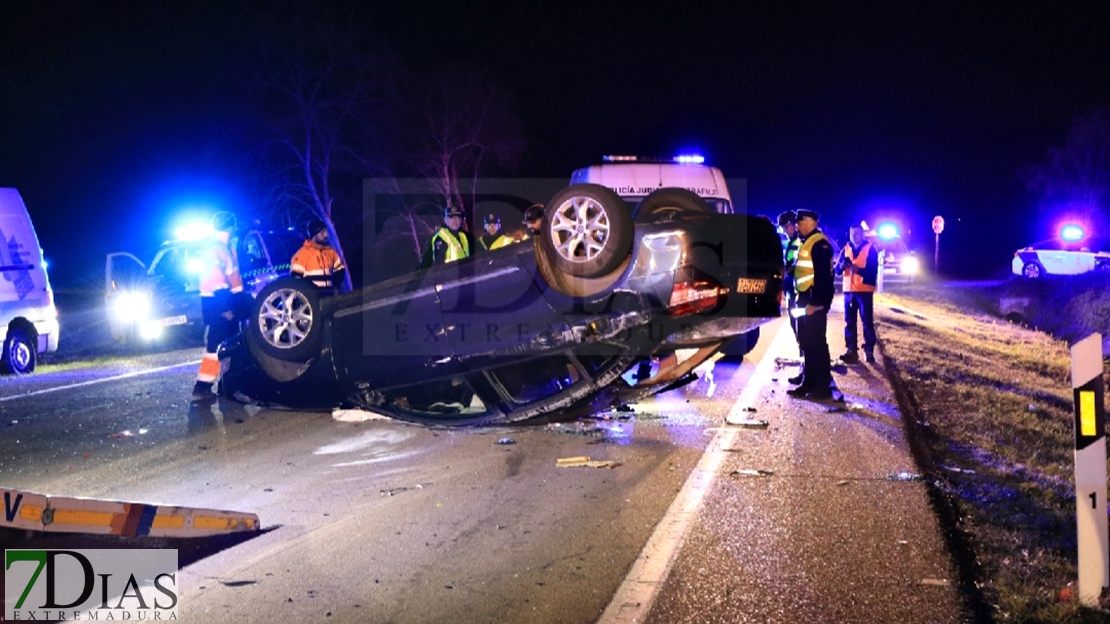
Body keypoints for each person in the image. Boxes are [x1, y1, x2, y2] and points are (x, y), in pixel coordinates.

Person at [193, 212, 244, 399]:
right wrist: (226, 307)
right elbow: (216, 280)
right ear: (230, 226)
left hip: (225, 301)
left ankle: (228, 386)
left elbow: (233, 278)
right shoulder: (216, 248)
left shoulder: (225, 247)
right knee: (216, 347)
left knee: (230, 345)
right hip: (219, 302)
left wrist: (238, 300)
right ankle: (203, 386)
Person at [787, 209, 836, 400]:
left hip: (814, 301)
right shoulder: (807, 242)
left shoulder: (820, 244)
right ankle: (808, 383)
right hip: (805, 298)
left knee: (817, 345)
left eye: (801, 222)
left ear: (813, 222)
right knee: (807, 343)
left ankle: (822, 387)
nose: (797, 225)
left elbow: (824, 278)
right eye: (797, 222)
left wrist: (816, 304)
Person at [837, 222, 879, 363]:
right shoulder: (845, 249)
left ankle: (869, 351)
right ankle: (851, 351)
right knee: (849, 322)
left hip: (864, 292)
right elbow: (836, 271)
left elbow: (873, 273)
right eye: (852, 233)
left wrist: (858, 270)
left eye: (857, 233)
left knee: (867, 322)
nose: (854, 236)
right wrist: (842, 266)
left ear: (863, 234)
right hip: (848, 292)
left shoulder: (870, 250)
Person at [777, 210, 803, 382]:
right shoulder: (793, 241)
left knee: (804, 332)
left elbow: (798, 265)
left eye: (786, 228)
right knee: (799, 331)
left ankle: (807, 372)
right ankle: (806, 369)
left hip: (799, 293)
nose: (786, 232)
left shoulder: (801, 241)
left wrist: (789, 270)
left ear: (793, 224)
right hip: (792, 292)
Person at [291, 218, 346, 295]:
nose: (326, 235)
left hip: (330, 295)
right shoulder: (302, 254)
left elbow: (340, 269)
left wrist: (336, 286)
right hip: (313, 297)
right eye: (322, 232)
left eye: (326, 231)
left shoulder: (330, 252)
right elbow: (296, 279)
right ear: (314, 235)